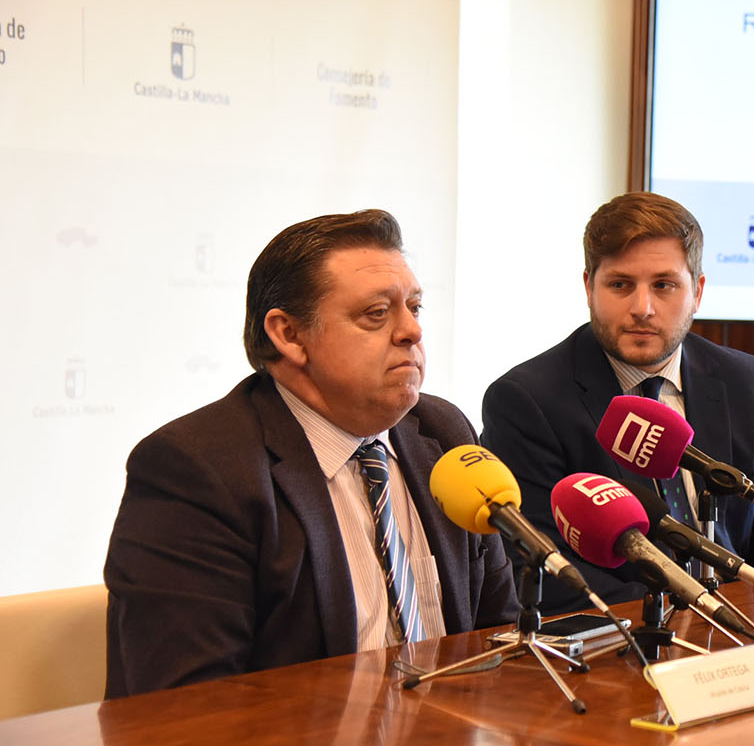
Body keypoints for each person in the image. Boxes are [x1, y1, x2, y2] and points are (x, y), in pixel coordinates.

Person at [104, 210, 519, 698]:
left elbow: (500, 638)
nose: (412, 331)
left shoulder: (443, 433)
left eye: (415, 308)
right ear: (289, 335)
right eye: (377, 314)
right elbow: (188, 704)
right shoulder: (197, 470)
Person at [481, 192, 754, 613]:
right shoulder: (526, 401)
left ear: (698, 291)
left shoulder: (745, 379)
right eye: (620, 284)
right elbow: (548, 567)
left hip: (746, 629)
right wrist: (692, 621)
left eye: (664, 285)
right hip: (621, 637)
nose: (643, 308)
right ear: (589, 287)